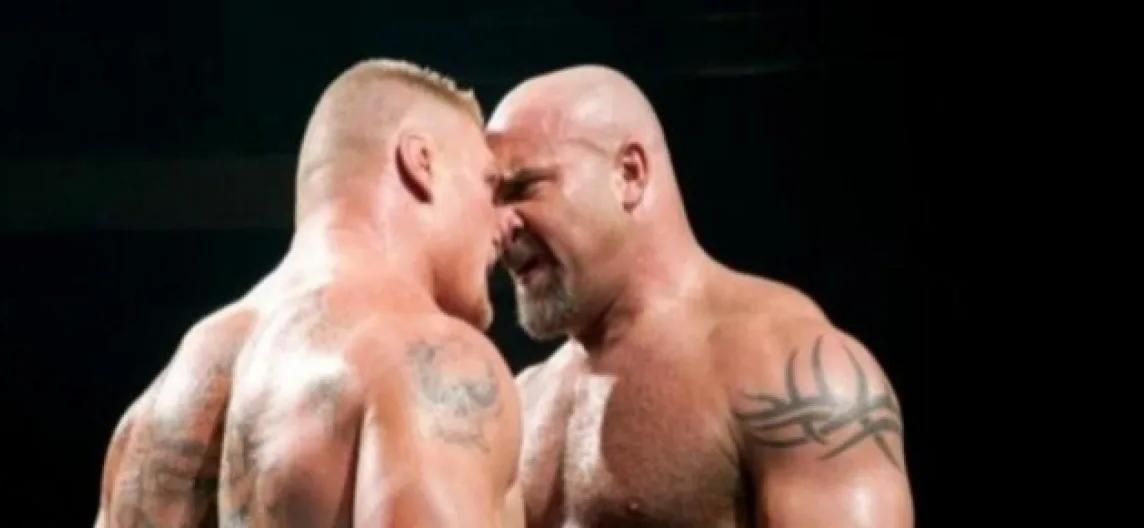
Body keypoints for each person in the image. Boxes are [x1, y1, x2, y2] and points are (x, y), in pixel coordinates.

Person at [94, 58, 524, 528]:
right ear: (421, 162)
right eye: (490, 185)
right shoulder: (426, 358)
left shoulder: (153, 414)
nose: (505, 221)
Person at [489, 65, 913, 527]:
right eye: (491, 200)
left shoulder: (791, 373)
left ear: (628, 174)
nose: (498, 225)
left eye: (521, 189)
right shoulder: (523, 398)